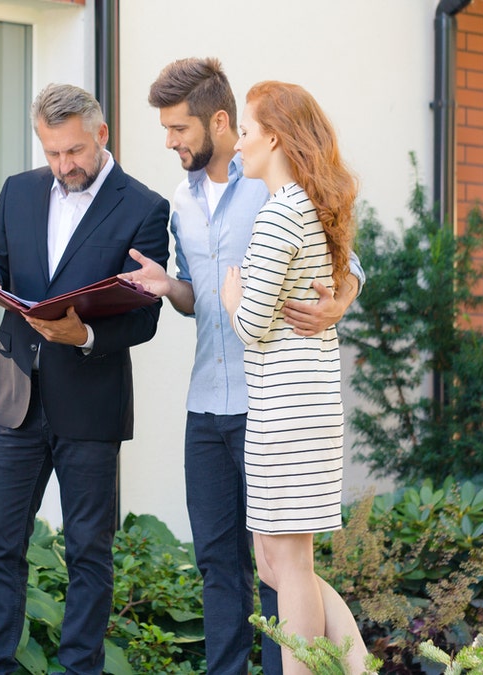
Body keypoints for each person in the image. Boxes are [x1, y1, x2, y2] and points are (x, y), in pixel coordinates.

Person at [122, 58, 366, 674]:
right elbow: (199, 297)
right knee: (222, 564)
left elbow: (347, 262)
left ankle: (313, 665)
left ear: (221, 121)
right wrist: (166, 285)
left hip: (270, 403)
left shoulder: (274, 187)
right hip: (206, 402)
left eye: (179, 128)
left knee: (281, 570)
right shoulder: (183, 198)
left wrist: (337, 302)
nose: (170, 141)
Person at [0, 83, 169, 675]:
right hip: (18, 395)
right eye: (51, 153)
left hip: (91, 403)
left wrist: (88, 337)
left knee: (88, 553)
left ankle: (81, 669)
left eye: (73, 152)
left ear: (101, 135)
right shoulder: (19, 191)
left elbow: (146, 316)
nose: (62, 166)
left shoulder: (144, 207)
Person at [219, 80, 363, 675]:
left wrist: (232, 294)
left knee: (290, 567)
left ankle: (315, 670)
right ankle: (356, 664)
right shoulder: (305, 205)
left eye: (246, 133)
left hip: (290, 411)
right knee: (279, 566)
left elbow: (251, 324)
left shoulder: (283, 211)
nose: (239, 146)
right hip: (295, 407)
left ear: (273, 136)